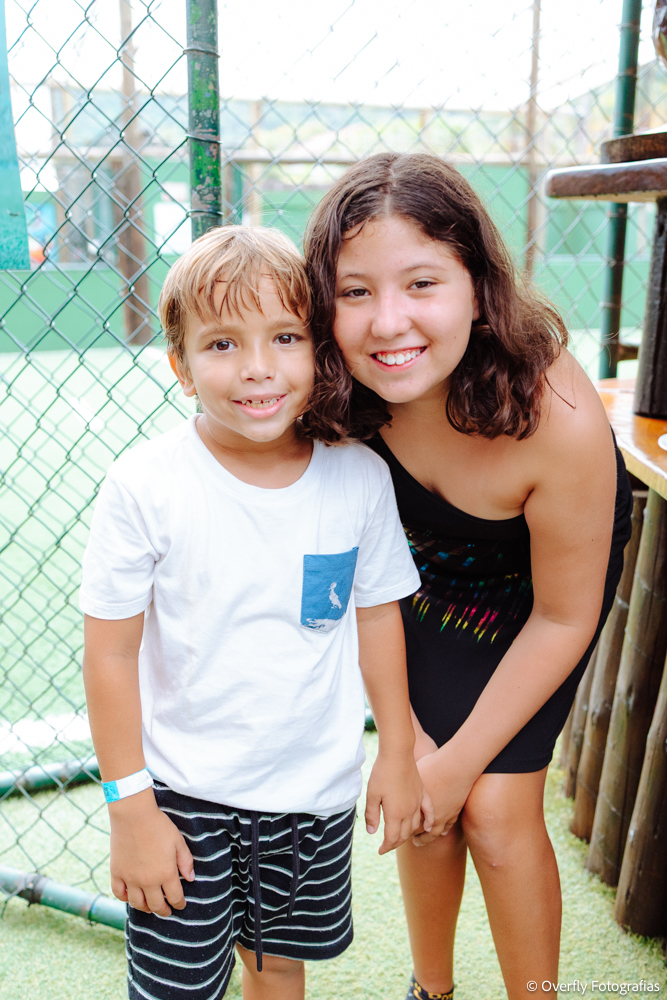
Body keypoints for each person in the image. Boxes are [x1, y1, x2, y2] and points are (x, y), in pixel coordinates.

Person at [304, 153, 633, 1000]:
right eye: (353, 292)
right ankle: (430, 988)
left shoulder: (552, 413)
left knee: (490, 808)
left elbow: (565, 617)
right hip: (405, 600)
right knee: (425, 815)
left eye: (421, 283)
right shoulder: (333, 397)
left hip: (532, 611)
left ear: (478, 287)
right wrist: (404, 738)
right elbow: (342, 581)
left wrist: (454, 770)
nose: (387, 322)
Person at [80, 225, 431, 1000]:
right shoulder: (145, 485)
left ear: (319, 350)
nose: (258, 370)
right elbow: (107, 655)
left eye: (284, 337)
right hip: (178, 795)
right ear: (179, 365)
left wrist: (398, 752)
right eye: (222, 345)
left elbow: (376, 620)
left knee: (278, 970)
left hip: (310, 796)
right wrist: (129, 806)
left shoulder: (358, 479)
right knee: (175, 988)